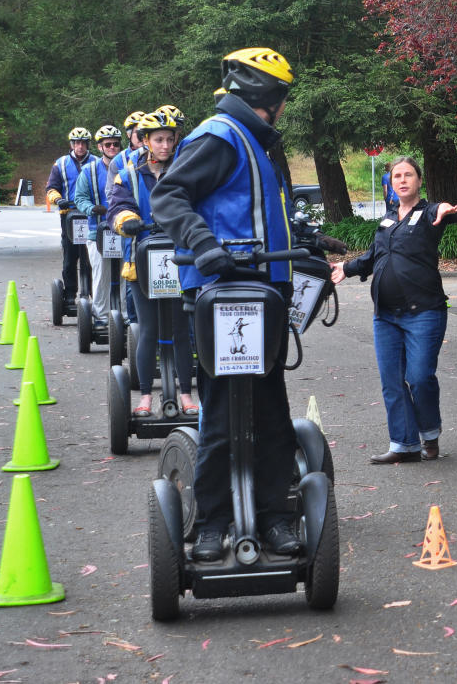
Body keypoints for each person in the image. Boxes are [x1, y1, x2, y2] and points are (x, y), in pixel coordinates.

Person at [151, 47, 300, 561]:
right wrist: (205, 244)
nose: (284, 106)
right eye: (282, 96)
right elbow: (169, 197)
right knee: (221, 407)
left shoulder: (255, 142)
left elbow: (253, 212)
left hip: (263, 292)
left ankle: (277, 515)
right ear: (269, 94)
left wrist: (302, 241)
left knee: (271, 408)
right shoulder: (221, 134)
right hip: (227, 293)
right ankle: (213, 520)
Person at [331, 156, 457, 464]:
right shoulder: (389, 219)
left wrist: (444, 209)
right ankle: (404, 444)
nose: (402, 180)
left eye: (408, 175)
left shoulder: (428, 213)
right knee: (392, 380)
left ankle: (429, 433)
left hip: (424, 312)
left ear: (419, 180)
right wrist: (345, 269)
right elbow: (374, 256)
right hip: (386, 315)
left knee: (419, 378)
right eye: (396, 176)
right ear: (390, 184)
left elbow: (442, 211)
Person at [108, 112, 198, 421]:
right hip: (141, 264)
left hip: (180, 260)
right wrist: (127, 220)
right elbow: (117, 206)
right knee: (147, 329)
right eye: (158, 139)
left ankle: (186, 393)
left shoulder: (185, 171)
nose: (165, 145)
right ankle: (145, 394)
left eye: (169, 139)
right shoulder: (129, 174)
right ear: (146, 141)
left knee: (181, 329)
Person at [72, 125, 123, 324]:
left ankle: (125, 316)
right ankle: (101, 316)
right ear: (100, 147)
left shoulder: (127, 166)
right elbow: (80, 197)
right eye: (108, 144)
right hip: (98, 232)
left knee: (125, 275)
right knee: (102, 275)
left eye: (115, 144)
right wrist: (92, 209)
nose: (112, 147)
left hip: (123, 231)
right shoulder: (89, 170)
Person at [46, 127, 95, 305]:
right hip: (69, 216)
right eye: (77, 143)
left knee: (90, 257)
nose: (80, 146)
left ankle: (92, 293)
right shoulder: (60, 163)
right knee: (70, 258)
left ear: (88, 144)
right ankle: (70, 295)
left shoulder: (96, 162)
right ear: (72, 144)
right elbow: (51, 187)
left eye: (83, 143)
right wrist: (58, 200)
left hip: (90, 216)